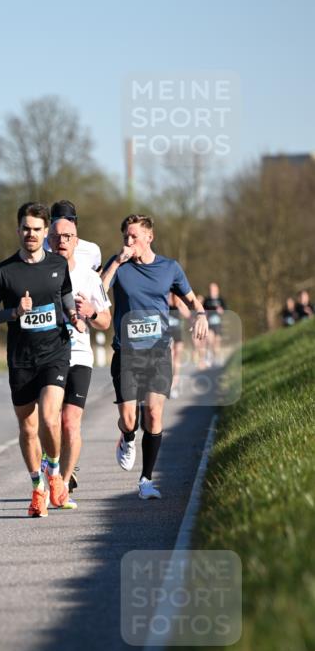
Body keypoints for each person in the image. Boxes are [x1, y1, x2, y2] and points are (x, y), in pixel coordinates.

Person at [0, 202, 84, 517]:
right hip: (21, 359)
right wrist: (14, 312)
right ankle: (37, 486)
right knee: (27, 428)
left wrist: (73, 314)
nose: (31, 234)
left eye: (37, 229)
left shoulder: (57, 264)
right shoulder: (4, 271)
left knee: (51, 419)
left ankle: (53, 471)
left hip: (55, 351)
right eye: (26, 228)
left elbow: (63, 294)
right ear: (18, 230)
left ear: (46, 231)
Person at [101, 214, 208, 499]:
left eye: (134, 236)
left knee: (153, 412)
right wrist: (115, 262)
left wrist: (200, 315)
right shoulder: (119, 266)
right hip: (126, 353)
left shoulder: (170, 268)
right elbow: (98, 291)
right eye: (125, 236)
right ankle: (126, 436)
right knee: (129, 419)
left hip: (159, 352)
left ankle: (146, 479)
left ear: (149, 237)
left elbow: (191, 299)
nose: (128, 241)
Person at [45, 205, 111, 499]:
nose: (63, 241)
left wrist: (92, 313)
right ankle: (53, 468)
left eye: (68, 236)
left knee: (70, 422)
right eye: (58, 236)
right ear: (49, 237)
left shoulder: (88, 274)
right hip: (46, 356)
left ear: (76, 238)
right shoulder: (39, 273)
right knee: (51, 422)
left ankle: (63, 481)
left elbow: (106, 321)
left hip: (80, 356)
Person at [167, 291, 191, 398]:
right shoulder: (163, 299)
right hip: (167, 333)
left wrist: (180, 306)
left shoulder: (178, 301)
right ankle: (169, 384)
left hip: (177, 333)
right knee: (170, 358)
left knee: (177, 359)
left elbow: (188, 314)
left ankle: (174, 386)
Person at [203, 282, 226, 364]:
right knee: (209, 340)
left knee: (217, 343)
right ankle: (209, 357)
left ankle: (216, 358)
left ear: (217, 289)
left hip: (218, 324)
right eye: (210, 289)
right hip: (210, 324)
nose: (211, 290)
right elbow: (203, 311)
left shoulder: (221, 300)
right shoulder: (206, 300)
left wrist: (221, 311)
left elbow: (225, 311)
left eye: (213, 289)